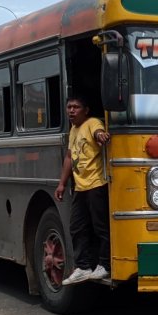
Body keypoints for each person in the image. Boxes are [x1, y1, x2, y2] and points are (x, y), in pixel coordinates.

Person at [55, 96, 111, 285]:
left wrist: (101, 136)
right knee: (77, 227)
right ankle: (83, 267)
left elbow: (98, 132)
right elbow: (69, 158)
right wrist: (62, 183)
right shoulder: (73, 130)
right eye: (69, 107)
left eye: (76, 107)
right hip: (80, 186)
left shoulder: (92, 122)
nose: (71, 111)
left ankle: (104, 265)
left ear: (85, 110)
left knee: (100, 227)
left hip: (96, 184)